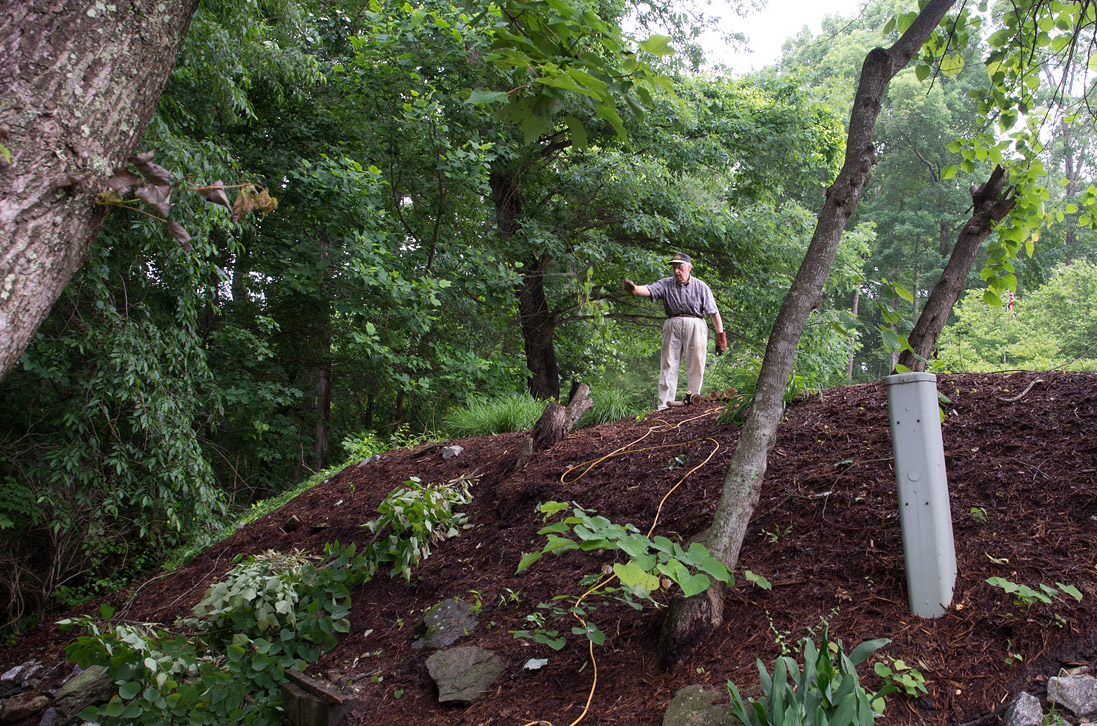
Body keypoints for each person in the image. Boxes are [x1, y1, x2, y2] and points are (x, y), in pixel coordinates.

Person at [621, 252, 727, 410]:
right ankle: (664, 405)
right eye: (674, 268)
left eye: (680, 267)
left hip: (696, 323)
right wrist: (635, 289)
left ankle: (694, 401)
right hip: (673, 323)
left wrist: (721, 336)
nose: (677, 271)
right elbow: (650, 290)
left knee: (696, 363)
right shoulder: (666, 284)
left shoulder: (701, 286)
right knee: (668, 363)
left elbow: (714, 312)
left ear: (689, 267)